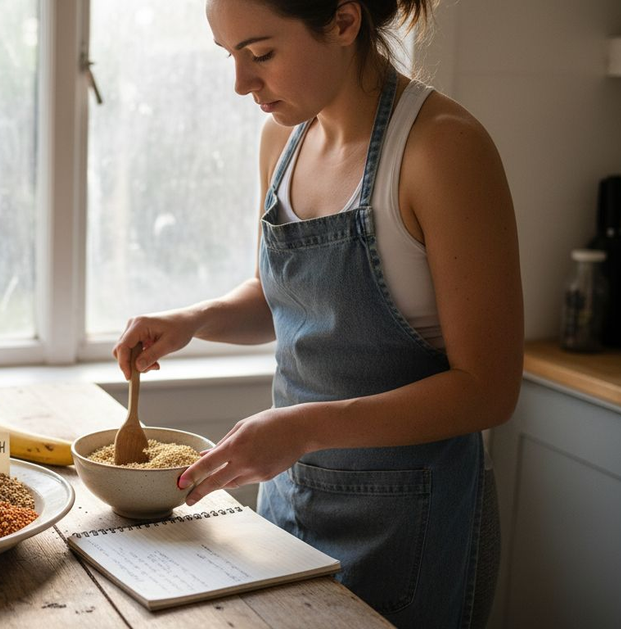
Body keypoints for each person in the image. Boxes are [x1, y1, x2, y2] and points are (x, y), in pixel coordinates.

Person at [111, 1, 522, 627]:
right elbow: (283, 299)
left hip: (410, 524)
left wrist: (305, 427)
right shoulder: (282, 136)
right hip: (290, 502)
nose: (241, 83)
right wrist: (194, 319)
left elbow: (489, 391)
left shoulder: (442, 150)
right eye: (230, 56)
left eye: (262, 53)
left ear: (343, 22)